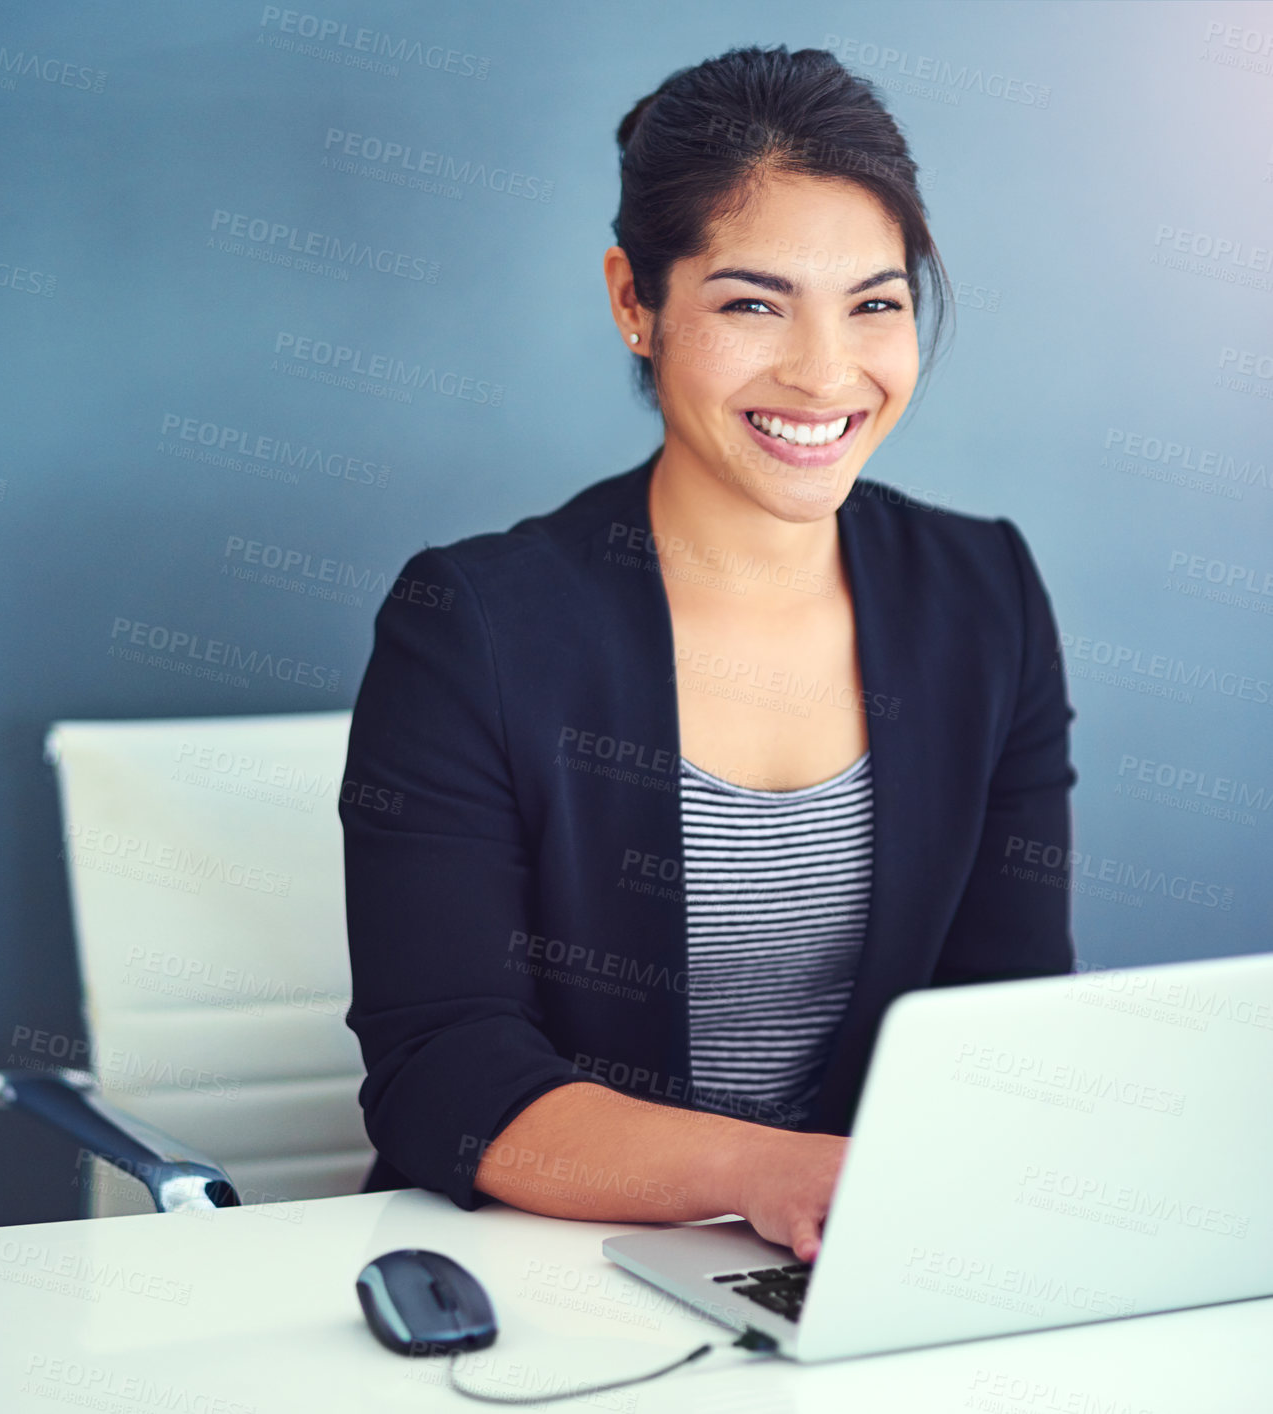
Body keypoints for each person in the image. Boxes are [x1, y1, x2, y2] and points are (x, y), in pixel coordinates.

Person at [339, 45, 1076, 1263]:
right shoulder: (470, 620)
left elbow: (1001, 1014)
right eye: (752, 302)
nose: (826, 373)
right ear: (635, 300)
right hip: (548, 1261)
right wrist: (758, 1170)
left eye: (875, 303)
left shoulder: (981, 593)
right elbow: (441, 1069)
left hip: (847, 1261)